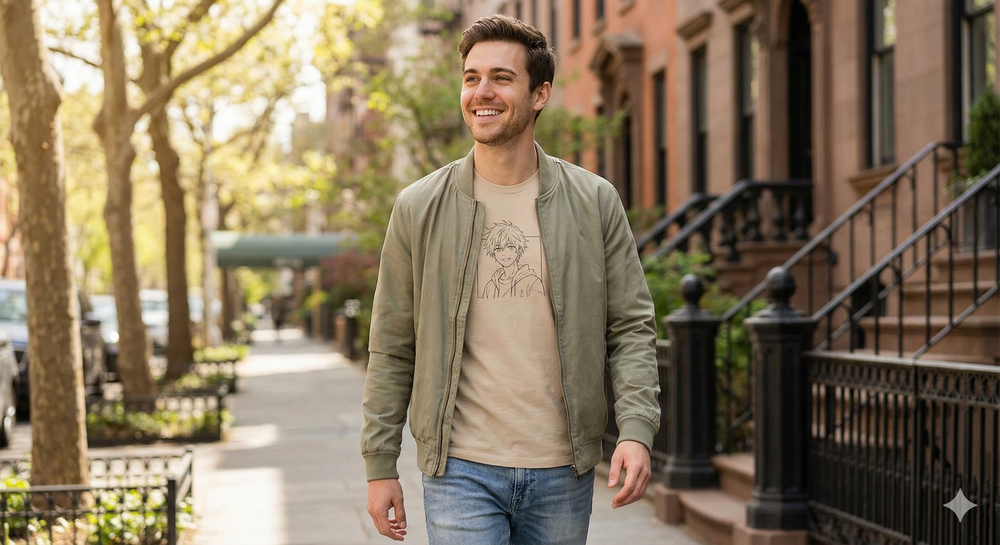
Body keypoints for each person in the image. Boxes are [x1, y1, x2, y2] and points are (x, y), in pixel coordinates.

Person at [361, 14, 660, 544]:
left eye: (501, 77)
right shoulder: (418, 207)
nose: (482, 92)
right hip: (460, 470)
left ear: (539, 93)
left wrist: (636, 430)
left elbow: (631, 326)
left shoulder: (593, 201)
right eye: (471, 77)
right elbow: (391, 344)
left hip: (562, 470)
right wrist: (380, 462)